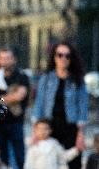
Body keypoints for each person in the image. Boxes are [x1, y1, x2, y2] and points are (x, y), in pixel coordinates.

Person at [32, 41, 88, 169]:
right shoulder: (45, 78)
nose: (63, 58)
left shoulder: (78, 80)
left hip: (71, 127)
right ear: (54, 57)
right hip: (50, 127)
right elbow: (39, 104)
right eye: (60, 55)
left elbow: (82, 107)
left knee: (73, 163)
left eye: (67, 56)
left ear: (71, 58)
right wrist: (35, 131)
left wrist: (80, 134)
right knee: (49, 162)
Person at [0, 46, 29, 169]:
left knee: (20, 158)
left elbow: (19, 96)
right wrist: (8, 98)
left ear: (14, 59)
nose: (5, 61)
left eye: (8, 58)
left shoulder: (22, 76)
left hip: (16, 122)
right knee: (2, 157)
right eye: (2, 58)